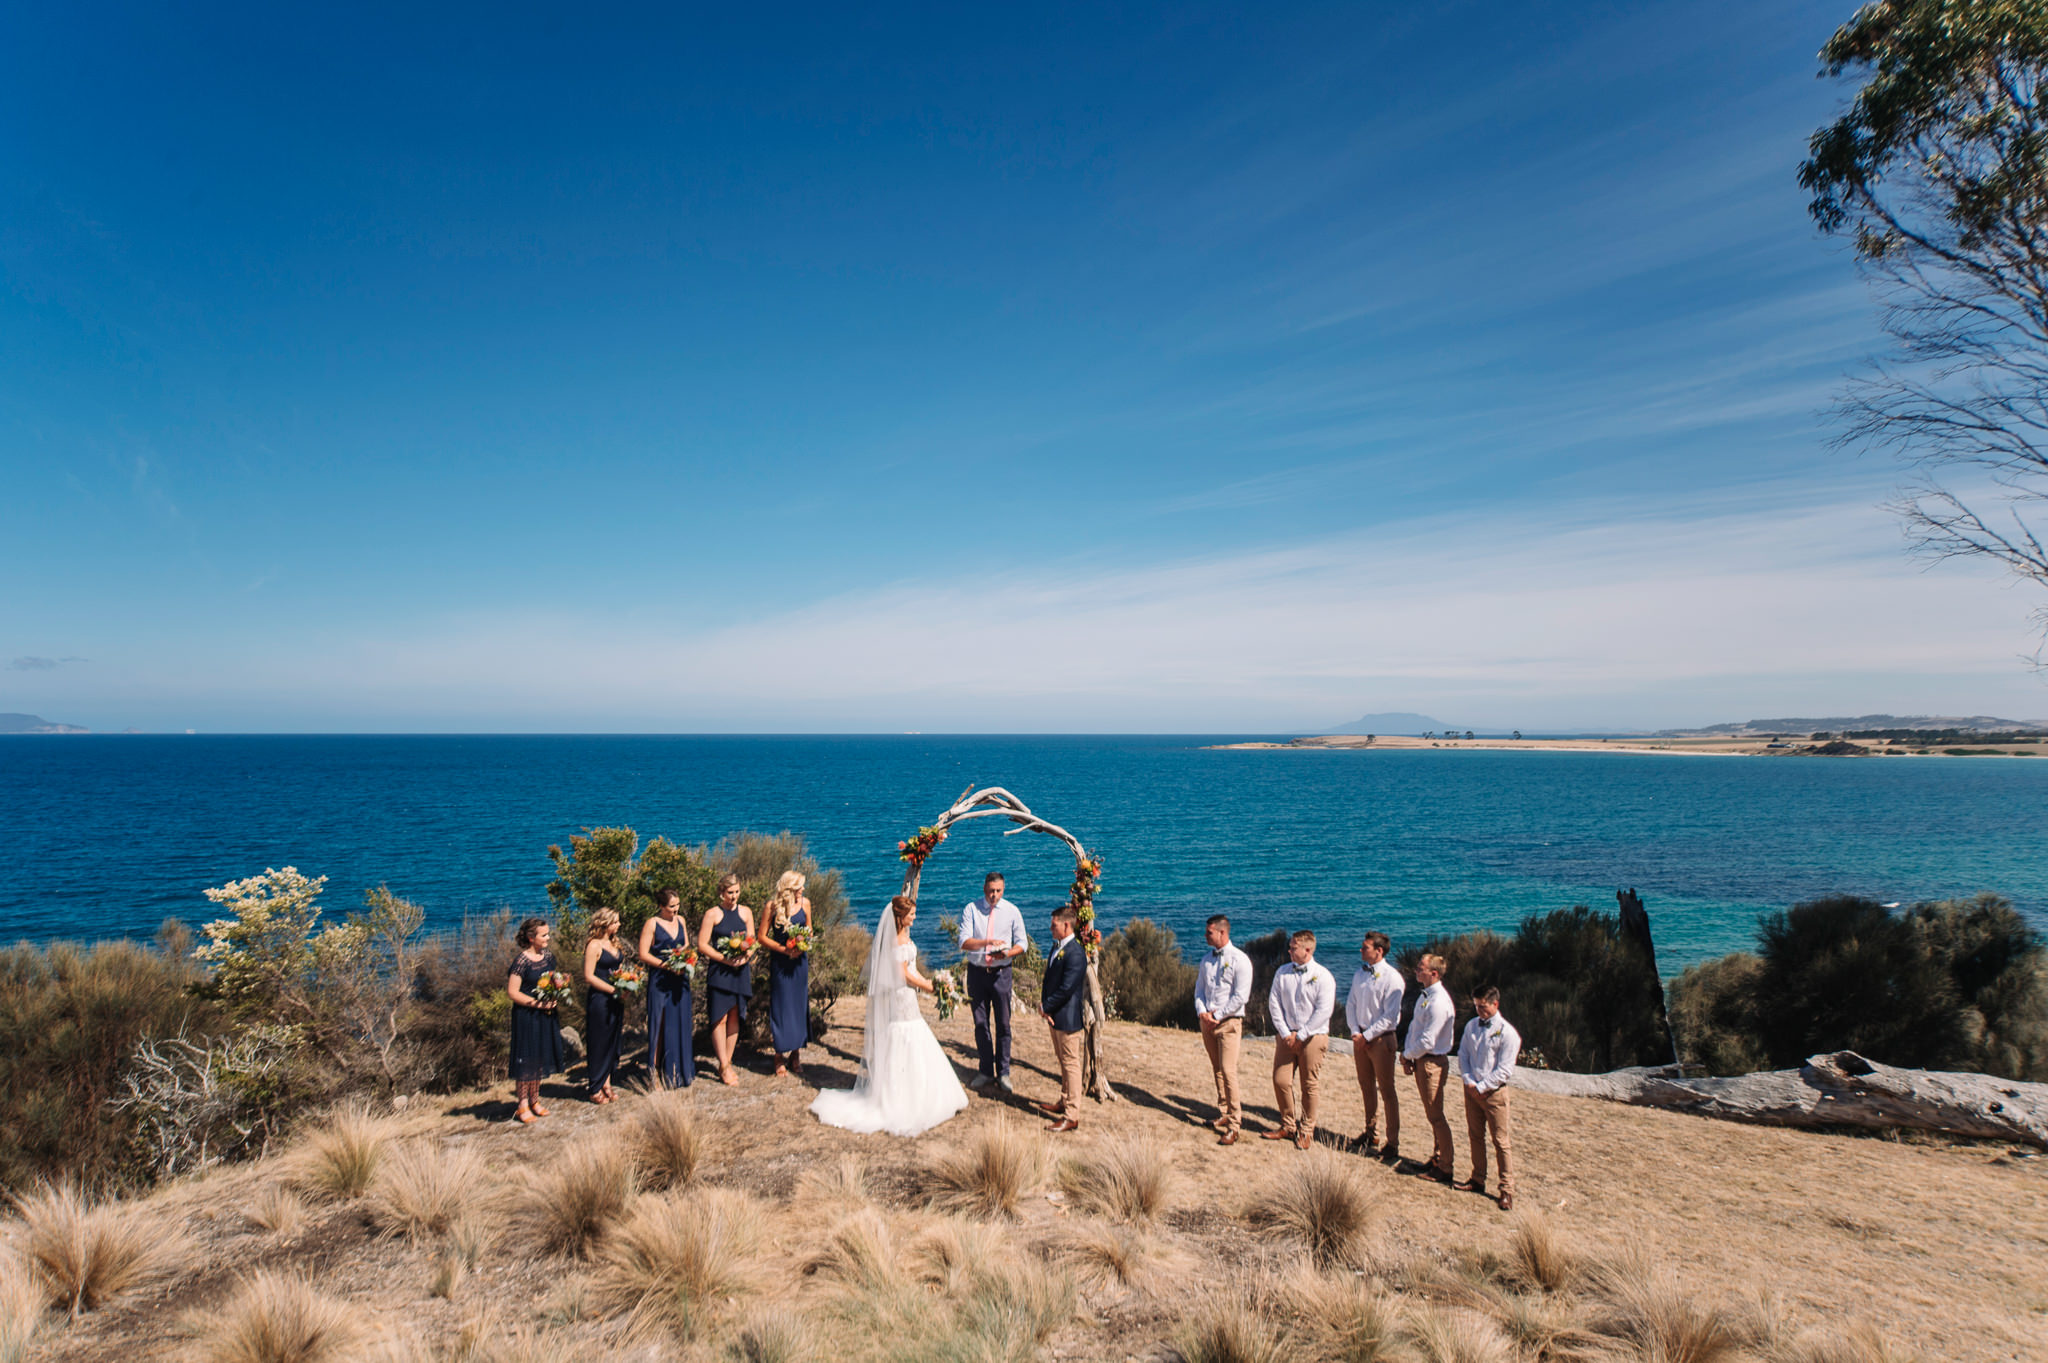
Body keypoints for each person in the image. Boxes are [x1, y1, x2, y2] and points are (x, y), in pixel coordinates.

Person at [810, 895, 971, 1136]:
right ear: (900, 917)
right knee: (906, 1032)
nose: (915, 918)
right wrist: (930, 986)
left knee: (911, 1032)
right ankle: (902, 1097)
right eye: (911, 914)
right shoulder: (895, 940)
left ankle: (914, 1090)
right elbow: (903, 974)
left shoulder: (903, 935)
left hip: (907, 993)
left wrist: (928, 982)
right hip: (901, 995)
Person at [1263, 930, 1336, 1150]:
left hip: (1312, 1037)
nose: (1289, 951)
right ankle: (1288, 1124)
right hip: (1287, 1036)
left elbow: (1324, 1010)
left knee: (1309, 1085)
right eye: (1290, 946)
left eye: (1294, 947)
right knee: (1281, 1080)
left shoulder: (1323, 976)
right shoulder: (1282, 973)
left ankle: (1306, 1130)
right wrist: (1286, 1033)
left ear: (1308, 949)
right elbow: (1274, 1003)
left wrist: (1302, 1034)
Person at [959, 871, 1028, 1093]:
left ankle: (1004, 1072)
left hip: (1001, 973)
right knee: (981, 1023)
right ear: (984, 888)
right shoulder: (971, 909)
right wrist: (988, 942)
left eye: (998, 891)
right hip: (977, 972)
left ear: (1003, 889)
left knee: (1004, 1023)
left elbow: (1022, 943)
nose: (994, 895)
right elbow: (964, 942)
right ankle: (985, 1070)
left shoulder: (1012, 911)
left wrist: (1007, 953)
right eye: (990, 891)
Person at [1455, 986, 1521, 1211]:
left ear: (1495, 1004)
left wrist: (1483, 1086)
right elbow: (1463, 1055)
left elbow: (1505, 1069)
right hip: (1472, 1089)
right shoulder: (1471, 1026)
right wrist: (1468, 1080)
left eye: (1482, 1007)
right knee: (1475, 1135)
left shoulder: (1507, 1033)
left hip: (1494, 1093)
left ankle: (1506, 1189)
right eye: (1476, 1007)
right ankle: (1477, 1178)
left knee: (1500, 1141)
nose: (1479, 1011)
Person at [1345, 931, 1404, 1161]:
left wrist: (1367, 1035)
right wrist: (1355, 1032)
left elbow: (1390, 1016)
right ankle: (1371, 1131)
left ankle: (1393, 1141)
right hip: (1361, 1037)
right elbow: (1350, 1003)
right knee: (1366, 1085)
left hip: (1381, 1039)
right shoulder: (1360, 974)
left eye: (1365, 947)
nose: (1361, 951)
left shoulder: (1393, 978)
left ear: (1379, 951)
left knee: (1387, 1090)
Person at [1194, 914, 1253, 1145]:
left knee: (1228, 1071)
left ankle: (1235, 1123)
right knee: (1216, 1068)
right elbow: (1199, 989)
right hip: (1207, 1021)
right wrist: (1202, 1012)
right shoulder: (1206, 960)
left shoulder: (1240, 960)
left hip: (1228, 1022)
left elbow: (1241, 996)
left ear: (1222, 932)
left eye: (1209, 932)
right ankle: (1223, 1111)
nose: (1205, 936)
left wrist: (1217, 1015)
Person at [1402, 953, 1457, 1183]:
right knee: (1431, 1114)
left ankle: (1445, 1166)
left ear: (1433, 974)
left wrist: (1407, 1055)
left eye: (1420, 968)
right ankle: (1436, 1158)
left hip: (1431, 1061)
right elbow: (1416, 1028)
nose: (1416, 970)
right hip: (1422, 1060)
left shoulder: (1438, 1002)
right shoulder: (1426, 996)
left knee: (1436, 1115)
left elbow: (1427, 1040)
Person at [699, 873, 757, 1086]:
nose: (734, 896)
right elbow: (703, 944)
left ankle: (728, 1061)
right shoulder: (712, 914)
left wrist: (746, 956)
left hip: (740, 971)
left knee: (735, 1015)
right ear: (721, 893)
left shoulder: (746, 912)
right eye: (730, 892)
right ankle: (722, 1064)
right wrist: (725, 959)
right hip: (720, 972)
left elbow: (752, 939)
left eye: (737, 892)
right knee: (719, 1017)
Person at [506, 916, 564, 1124]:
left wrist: (557, 994)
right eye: (544, 934)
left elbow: (553, 980)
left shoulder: (548, 957)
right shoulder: (521, 961)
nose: (548, 937)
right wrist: (537, 1004)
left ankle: (535, 1100)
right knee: (527, 1059)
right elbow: (513, 992)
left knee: (539, 1057)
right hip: (527, 1016)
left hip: (546, 1014)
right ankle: (522, 1105)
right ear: (531, 938)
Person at [1036, 906, 1088, 1132]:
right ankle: (1064, 1100)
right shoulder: (1057, 947)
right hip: (1055, 1016)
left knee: (1071, 1064)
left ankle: (1072, 1114)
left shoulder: (1076, 953)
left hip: (1066, 1017)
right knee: (1062, 1060)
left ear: (1067, 925)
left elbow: (1067, 988)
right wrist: (1046, 1008)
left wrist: (1046, 1006)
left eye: (1054, 924)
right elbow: (1051, 980)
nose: (1050, 928)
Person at [637, 889, 696, 1088]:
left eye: (677, 905)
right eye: (671, 906)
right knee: (659, 1023)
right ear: (661, 906)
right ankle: (653, 1071)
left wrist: (686, 959)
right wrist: (666, 965)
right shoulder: (652, 924)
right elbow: (643, 954)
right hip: (661, 978)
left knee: (679, 1021)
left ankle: (679, 1069)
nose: (675, 910)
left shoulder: (681, 921)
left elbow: (686, 944)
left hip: (680, 978)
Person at [760, 870, 814, 1078]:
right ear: (790, 888)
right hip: (781, 963)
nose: (803, 890)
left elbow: (809, 929)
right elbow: (762, 937)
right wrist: (784, 950)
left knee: (799, 1005)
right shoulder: (771, 907)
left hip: (799, 962)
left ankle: (796, 1053)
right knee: (782, 1007)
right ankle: (778, 1054)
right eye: (800, 886)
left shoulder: (806, 904)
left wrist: (803, 944)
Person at [581, 907, 625, 1104]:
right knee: (599, 1041)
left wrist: (625, 983)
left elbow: (619, 969)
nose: (619, 925)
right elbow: (589, 976)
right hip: (600, 998)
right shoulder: (594, 945)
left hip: (616, 998)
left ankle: (607, 1082)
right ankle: (595, 1086)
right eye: (615, 922)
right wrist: (611, 990)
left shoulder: (615, 943)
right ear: (605, 924)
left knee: (612, 1041)